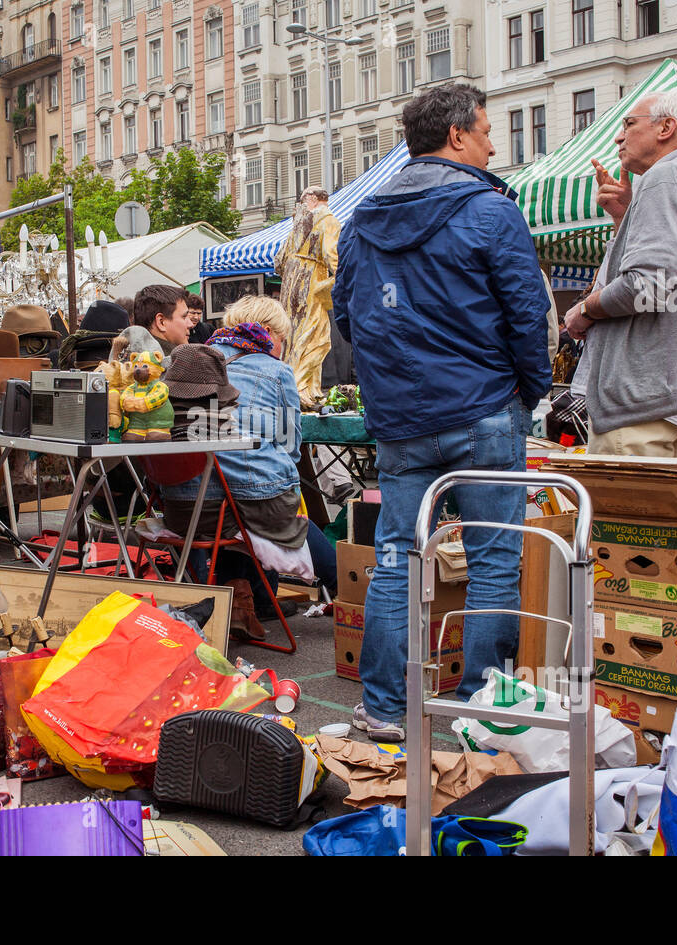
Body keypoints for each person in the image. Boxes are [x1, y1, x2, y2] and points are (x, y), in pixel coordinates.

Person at [333, 83, 550, 740]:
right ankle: (482, 709)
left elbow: (348, 318)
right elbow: (528, 316)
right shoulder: (490, 209)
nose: (491, 143)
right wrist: (528, 391)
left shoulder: (364, 220)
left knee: (397, 555)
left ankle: (384, 708)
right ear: (456, 135)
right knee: (490, 558)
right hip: (483, 408)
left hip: (404, 418)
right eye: (486, 130)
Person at [564, 91, 677, 462]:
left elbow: (646, 287)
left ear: (666, 127)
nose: (618, 137)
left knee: (623, 520)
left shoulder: (667, 176)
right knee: (659, 520)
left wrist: (585, 310)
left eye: (629, 124)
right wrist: (624, 219)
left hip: (643, 401)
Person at [159, 297, 338, 639]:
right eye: (283, 340)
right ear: (268, 333)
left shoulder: (189, 362)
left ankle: (243, 602)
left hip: (185, 504)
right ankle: (356, 591)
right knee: (280, 514)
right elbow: (289, 445)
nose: (282, 348)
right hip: (251, 499)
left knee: (232, 509)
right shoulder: (276, 371)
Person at [274, 186, 340, 409]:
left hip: (291, 284)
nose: (300, 204)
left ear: (312, 199)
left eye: (303, 199)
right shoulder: (328, 221)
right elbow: (333, 256)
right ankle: (299, 387)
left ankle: (306, 388)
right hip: (311, 281)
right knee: (318, 337)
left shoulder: (297, 224)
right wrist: (342, 280)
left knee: (293, 336)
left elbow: (279, 260)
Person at [131, 284, 192, 360]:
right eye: (184, 316)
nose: (190, 324)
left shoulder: (131, 360)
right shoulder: (174, 367)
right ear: (161, 322)